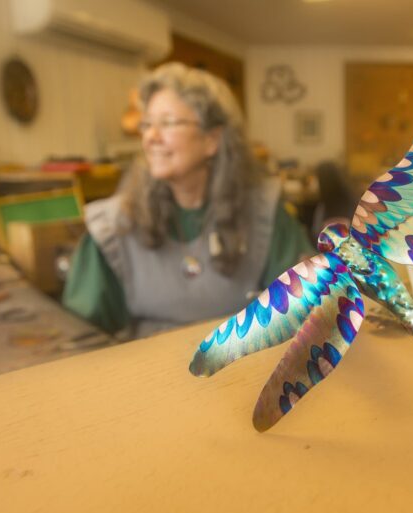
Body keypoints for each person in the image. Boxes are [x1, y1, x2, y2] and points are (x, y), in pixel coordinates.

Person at [63, 63, 313, 338]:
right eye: (147, 125)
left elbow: (306, 314)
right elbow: (80, 341)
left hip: (240, 371)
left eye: (168, 123)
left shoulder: (266, 217)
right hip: (146, 377)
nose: (150, 137)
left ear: (212, 140)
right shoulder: (112, 228)